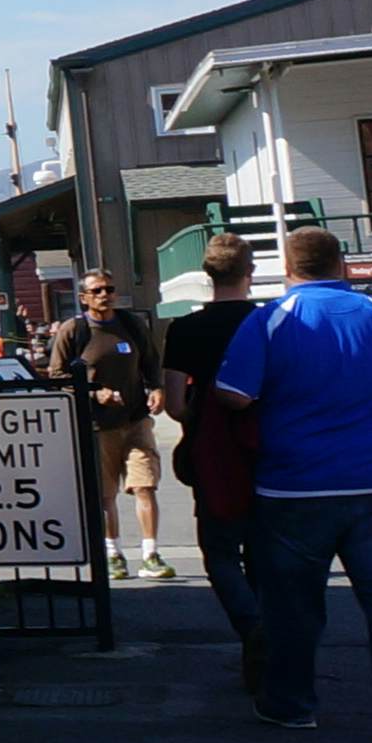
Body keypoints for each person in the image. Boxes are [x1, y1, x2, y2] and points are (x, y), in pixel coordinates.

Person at [212, 226, 372, 740]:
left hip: (296, 486)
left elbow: (233, 394)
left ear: (288, 267)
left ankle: (291, 704)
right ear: (341, 264)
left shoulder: (272, 319)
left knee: (294, 607)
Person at [157, 233, 267, 674]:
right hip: (267, 448)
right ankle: (265, 637)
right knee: (265, 550)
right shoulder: (267, 323)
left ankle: (251, 627)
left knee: (220, 551)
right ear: (249, 272)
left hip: (212, 451)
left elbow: (174, 404)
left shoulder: (184, 328)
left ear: (207, 275)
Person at [40, 268, 169, 581]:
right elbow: (57, 378)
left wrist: (157, 388)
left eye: (108, 289)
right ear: (83, 297)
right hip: (99, 425)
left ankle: (150, 553)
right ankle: (113, 553)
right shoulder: (74, 331)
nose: (104, 295)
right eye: (96, 290)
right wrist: (95, 393)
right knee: (105, 493)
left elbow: (151, 361)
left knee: (144, 484)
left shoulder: (130, 325)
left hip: (136, 418)